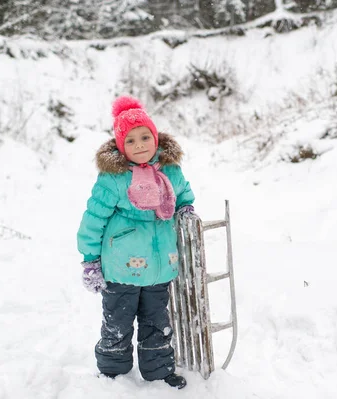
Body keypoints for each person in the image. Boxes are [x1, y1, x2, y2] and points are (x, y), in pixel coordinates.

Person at [77, 96, 195, 389]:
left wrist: (185, 209)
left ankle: (158, 371)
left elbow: (184, 195)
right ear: (120, 146)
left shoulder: (170, 172)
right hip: (121, 268)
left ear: (156, 138)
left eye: (145, 137)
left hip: (159, 268)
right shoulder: (114, 180)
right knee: (117, 322)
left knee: (157, 322)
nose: (140, 145)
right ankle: (113, 372)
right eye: (130, 140)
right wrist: (91, 260)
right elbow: (93, 220)